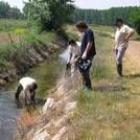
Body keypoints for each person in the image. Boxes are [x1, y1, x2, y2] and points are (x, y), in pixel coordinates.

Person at [75, 21, 96, 90]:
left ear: (81, 27)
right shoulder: (86, 32)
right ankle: (85, 86)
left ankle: (88, 87)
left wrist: (85, 53)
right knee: (82, 69)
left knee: (84, 70)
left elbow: (90, 43)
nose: (78, 30)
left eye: (78, 29)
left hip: (88, 55)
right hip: (86, 55)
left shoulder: (89, 31)